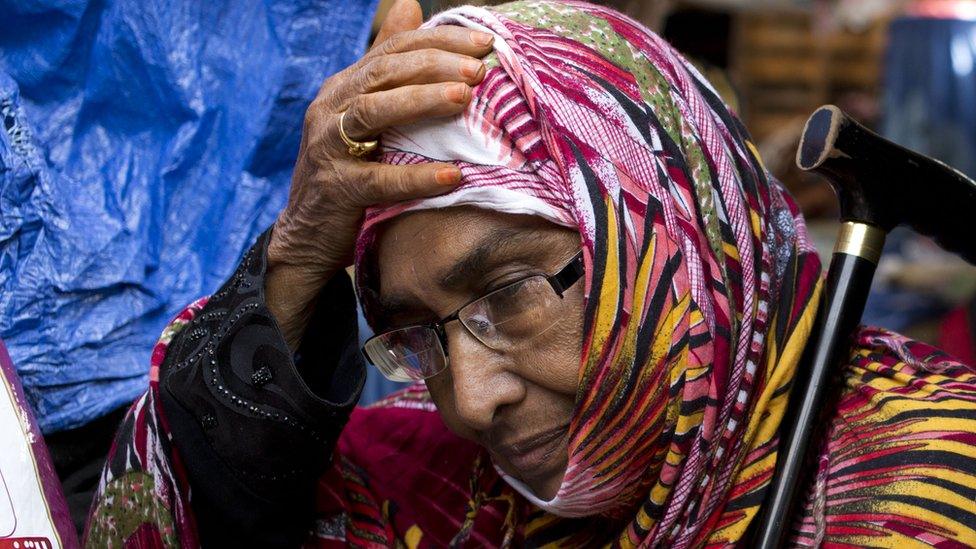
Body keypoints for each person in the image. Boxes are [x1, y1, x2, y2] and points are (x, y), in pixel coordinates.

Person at [82, 1, 976, 547]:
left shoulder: (927, 488)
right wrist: (301, 245)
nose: (469, 401)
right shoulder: (426, 482)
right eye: (417, 335)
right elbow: (181, 521)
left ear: (666, 245)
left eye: (508, 294)